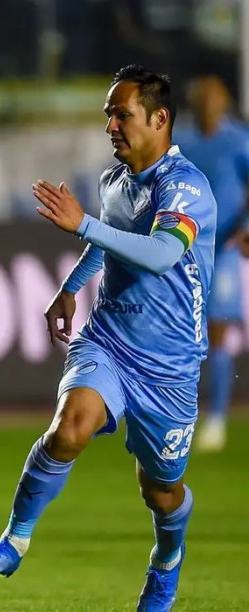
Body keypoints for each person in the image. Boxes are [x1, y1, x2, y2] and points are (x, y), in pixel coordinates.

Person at [0, 65, 216, 612]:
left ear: (159, 117)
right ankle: (13, 542)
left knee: (161, 491)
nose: (112, 127)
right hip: (108, 340)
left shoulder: (187, 187)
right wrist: (70, 287)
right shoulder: (114, 182)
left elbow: (162, 253)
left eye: (122, 115)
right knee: (70, 428)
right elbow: (110, 243)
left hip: (170, 368)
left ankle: (166, 563)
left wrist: (83, 226)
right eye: (108, 117)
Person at [174, 74, 249, 452]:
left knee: (217, 330)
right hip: (183, 250)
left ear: (223, 103)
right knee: (180, 335)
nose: (207, 106)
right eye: (201, 100)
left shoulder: (238, 141)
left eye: (213, 100)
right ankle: (176, 415)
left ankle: (217, 418)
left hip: (224, 252)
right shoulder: (180, 142)